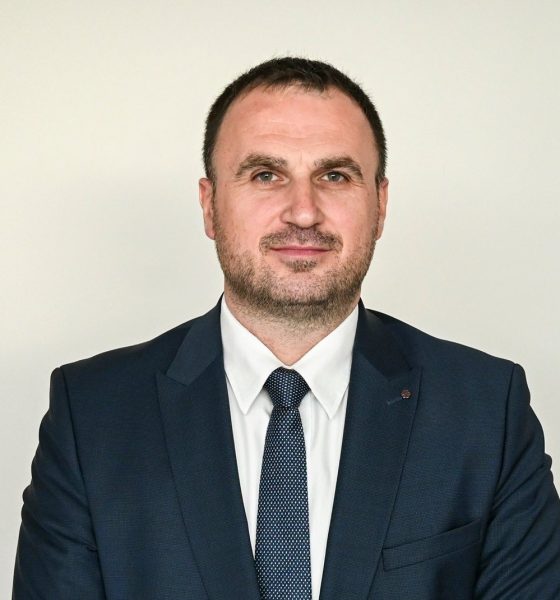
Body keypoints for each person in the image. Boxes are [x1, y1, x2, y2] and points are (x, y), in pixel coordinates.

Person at [13, 57, 560, 600]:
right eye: (265, 175)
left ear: (380, 205)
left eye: (335, 176)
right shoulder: (92, 414)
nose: (303, 213)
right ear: (210, 206)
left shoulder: (487, 409)